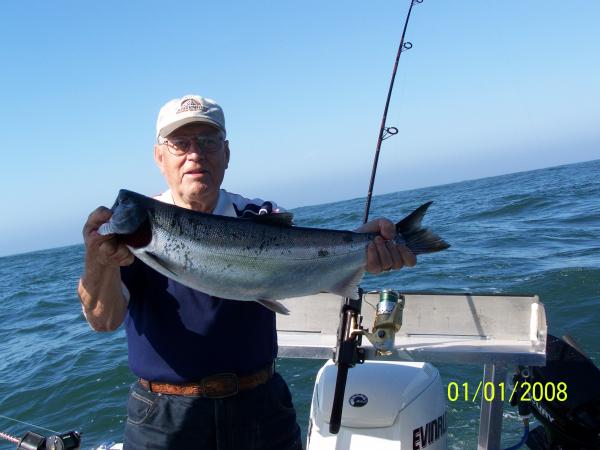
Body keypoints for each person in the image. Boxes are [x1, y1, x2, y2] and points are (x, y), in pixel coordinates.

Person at [78, 94, 416, 450]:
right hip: (164, 418)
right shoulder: (129, 236)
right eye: (180, 143)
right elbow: (103, 321)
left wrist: (365, 248)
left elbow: (310, 258)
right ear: (159, 157)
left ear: (226, 153)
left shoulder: (260, 215)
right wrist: (96, 262)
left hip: (260, 407)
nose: (195, 153)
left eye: (208, 142)